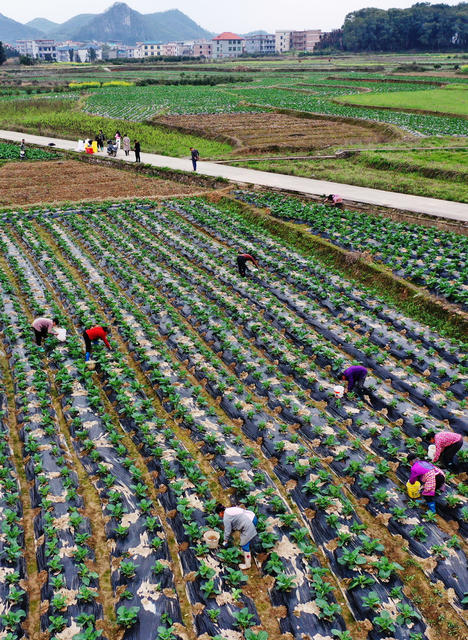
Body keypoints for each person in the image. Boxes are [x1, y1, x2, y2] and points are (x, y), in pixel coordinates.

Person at [215, 504, 257, 569]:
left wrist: (225, 540)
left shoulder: (226, 517)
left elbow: (227, 530)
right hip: (252, 517)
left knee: (244, 544)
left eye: (218, 514)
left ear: (220, 512)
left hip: (249, 522)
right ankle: (244, 553)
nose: (219, 516)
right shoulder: (229, 510)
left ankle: (247, 565)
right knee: (245, 538)